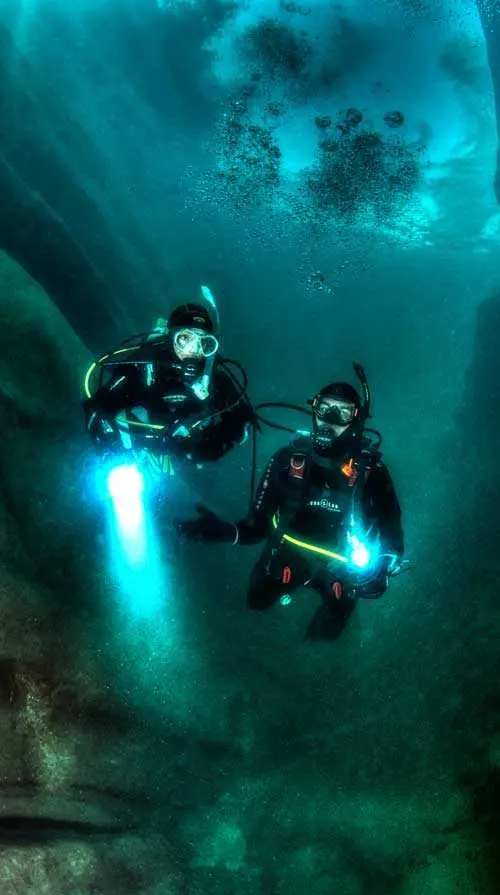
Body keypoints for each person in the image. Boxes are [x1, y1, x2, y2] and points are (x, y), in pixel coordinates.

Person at [175, 364, 404, 638]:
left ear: (356, 419)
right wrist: (224, 532)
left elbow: (392, 536)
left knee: (330, 627)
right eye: (324, 408)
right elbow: (255, 527)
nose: (330, 418)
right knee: (256, 601)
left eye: (342, 412)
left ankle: (320, 642)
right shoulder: (286, 461)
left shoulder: (372, 474)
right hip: (286, 553)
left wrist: (380, 572)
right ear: (314, 410)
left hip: (343, 569)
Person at [82, 291, 255, 470]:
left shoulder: (212, 379)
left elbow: (241, 422)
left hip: (181, 449)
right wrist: (110, 447)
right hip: (138, 443)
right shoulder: (143, 364)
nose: (193, 350)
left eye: (203, 343)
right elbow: (97, 407)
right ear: (171, 337)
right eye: (185, 339)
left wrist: (198, 450)